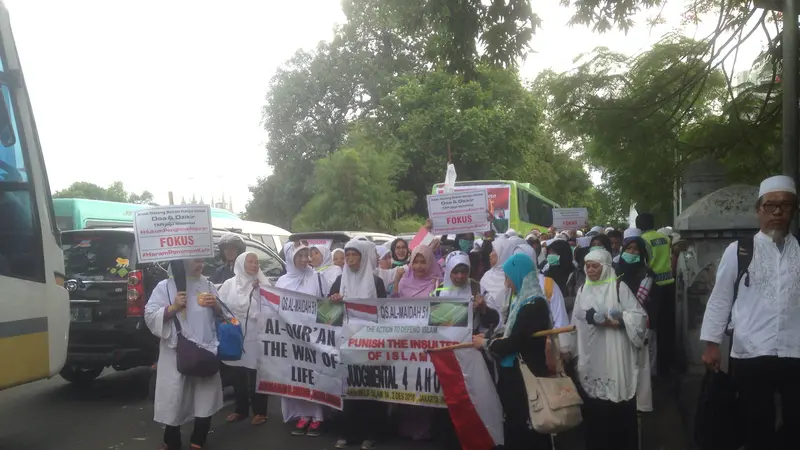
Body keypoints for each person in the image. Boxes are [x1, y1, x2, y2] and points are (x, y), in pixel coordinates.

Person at [700, 175, 800, 450]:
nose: (777, 212)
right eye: (770, 206)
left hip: (795, 350)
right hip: (751, 350)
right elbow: (720, 298)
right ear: (759, 210)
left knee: (795, 424)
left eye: (785, 206)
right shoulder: (740, 250)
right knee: (756, 424)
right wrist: (712, 344)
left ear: (794, 210)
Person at [473, 253, 553, 450]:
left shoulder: (534, 305)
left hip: (526, 374)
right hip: (515, 373)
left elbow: (515, 342)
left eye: (509, 277)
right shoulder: (521, 302)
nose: (507, 283)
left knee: (528, 424)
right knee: (515, 422)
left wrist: (486, 343)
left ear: (520, 275)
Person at [571, 249, 647, 450]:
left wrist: (619, 322)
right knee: (596, 407)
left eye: (595, 266)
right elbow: (575, 321)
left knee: (617, 406)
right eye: (587, 266)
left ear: (605, 267)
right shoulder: (582, 290)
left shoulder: (618, 288)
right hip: (592, 353)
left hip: (615, 352)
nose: (590, 270)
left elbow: (640, 317)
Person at [144, 259, 224, 450]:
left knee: (205, 395)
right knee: (175, 396)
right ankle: (172, 440)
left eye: (201, 259)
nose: (200, 263)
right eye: (195, 260)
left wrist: (216, 306)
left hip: (206, 350)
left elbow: (224, 315)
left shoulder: (209, 285)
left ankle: (199, 438)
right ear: (183, 263)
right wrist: (172, 308)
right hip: (177, 352)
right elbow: (149, 315)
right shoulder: (166, 287)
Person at [328, 239, 387, 450]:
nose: (350, 259)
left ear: (363, 257)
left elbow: (384, 312)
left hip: (369, 343)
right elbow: (328, 309)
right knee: (348, 390)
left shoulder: (376, 282)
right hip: (346, 344)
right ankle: (348, 433)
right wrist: (333, 299)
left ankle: (370, 434)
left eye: (355, 255)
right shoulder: (339, 280)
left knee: (369, 390)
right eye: (348, 255)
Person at [275, 242, 329, 437]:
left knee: (312, 374)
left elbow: (326, 304)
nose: (305, 259)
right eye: (300, 256)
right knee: (295, 375)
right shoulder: (282, 281)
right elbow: (274, 306)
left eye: (307, 255)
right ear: (290, 258)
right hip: (290, 337)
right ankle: (301, 414)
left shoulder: (317, 278)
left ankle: (317, 415)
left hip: (312, 337)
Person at [395, 244, 442, 441]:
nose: (420, 266)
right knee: (408, 381)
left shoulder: (437, 283)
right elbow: (392, 308)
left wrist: (438, 289)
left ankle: (425, 428)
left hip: (427, 342)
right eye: (416, 261)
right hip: (406, 343)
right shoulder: (404, 283)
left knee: (425, 383)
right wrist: (397, 279)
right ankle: (405, 426)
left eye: (424, 261)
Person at [218, 252, 271, 425]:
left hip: (256, 334)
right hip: (235, 333)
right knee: (237, 372)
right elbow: (220, 305)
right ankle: (241, 410)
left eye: (257, 262)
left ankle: (260, 411)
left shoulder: (263, 284)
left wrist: (258, 292)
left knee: (257, 372)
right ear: (241, 263)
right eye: (250, 262)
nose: (255, 265)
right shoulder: (229, 284)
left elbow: (270, 308)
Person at [615, 236, 655, 413]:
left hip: (638, 322)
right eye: (628, 249)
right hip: (616, 323)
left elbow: (639, 301)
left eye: (635, 249)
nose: (631, 252)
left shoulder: (646, 273)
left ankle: (640, 405)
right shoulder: (616, 272)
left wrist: (619, 310)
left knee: (639, 365)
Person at [636, 213, 674, 376]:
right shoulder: (665, 238)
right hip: (668, 284)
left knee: (653, 327)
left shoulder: (642, 240)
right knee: (667, 326)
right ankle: (667, 364)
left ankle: (655, 366)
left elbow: (644, 263)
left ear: (639, 225)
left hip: (653, 286)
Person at [479, 238, 515, 324]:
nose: (490, 254)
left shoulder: (512, 278)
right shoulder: (487, 276)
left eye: (493, 251)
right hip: (484, 328)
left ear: (503, 254)